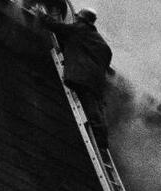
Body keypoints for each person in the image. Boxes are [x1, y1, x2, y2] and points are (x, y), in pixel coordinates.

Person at [46, 8, 113, 148]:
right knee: (96, 109)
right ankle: (102, 139)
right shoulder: (101, 43)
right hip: (97, 83)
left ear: (81, 19)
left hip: (82, 77)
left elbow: (58, 27)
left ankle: (100, 141)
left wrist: (41, 16)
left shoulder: (80, 29)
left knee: (90, 108)